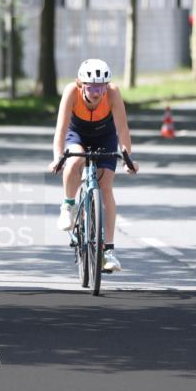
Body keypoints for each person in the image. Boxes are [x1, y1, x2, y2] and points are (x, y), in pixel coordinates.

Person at [49, 59, 137, 274]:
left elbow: (123, 129)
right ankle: (68, 206)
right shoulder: (71, 91)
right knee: (75, 160)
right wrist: (57, 157)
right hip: (76, 134)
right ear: (81, 85)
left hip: (104, 136)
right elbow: (60, 130)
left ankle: (108, 252)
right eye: (91, 87)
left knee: (105, 186)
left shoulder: (113, 93)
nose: (97, 93)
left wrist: (127, 159)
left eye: (101, 87)